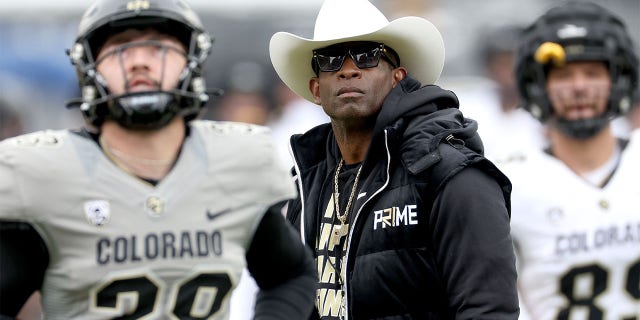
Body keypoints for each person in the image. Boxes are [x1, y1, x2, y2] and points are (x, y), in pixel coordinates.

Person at [0, 0, 316, 319]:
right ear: (89, 66)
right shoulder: (44, 174)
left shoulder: (237, 160)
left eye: (159, 47)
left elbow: (290, 275)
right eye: (120, 48)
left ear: (192, 60)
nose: (139, 62)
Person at [268, 0, 519, 318]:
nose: (348, 69)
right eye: (331, 60)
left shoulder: (451, 174)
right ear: (316, 89)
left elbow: (488, 310)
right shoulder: (304, 183)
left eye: (367, 55)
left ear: (398, 78)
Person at [498, 1, 640, 319]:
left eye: (592, 73)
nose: (578, 87)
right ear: (539, 86)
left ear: (618, 78)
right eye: (562, 75)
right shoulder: (508, 183)